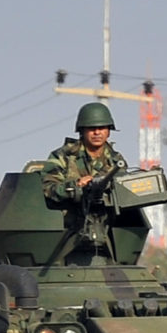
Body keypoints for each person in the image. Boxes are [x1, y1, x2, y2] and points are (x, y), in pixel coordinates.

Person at [41, 102, 129, 264]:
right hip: (66, 236)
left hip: (105, 236)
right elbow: (48, 189)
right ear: (82, 131)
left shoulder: (115, 161)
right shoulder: (63, 156)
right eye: (91, 128)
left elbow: (124, 195)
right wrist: (75, 186)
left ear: (109, 131)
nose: (97, 132)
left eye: (102, 128)